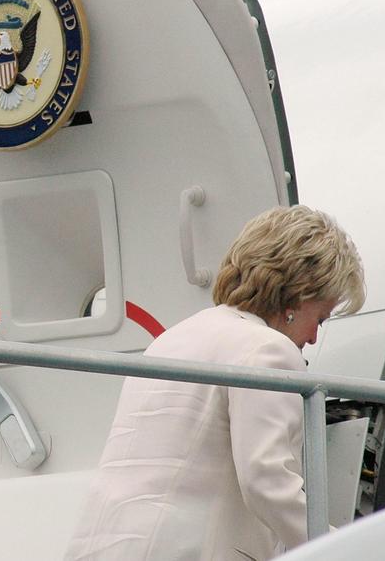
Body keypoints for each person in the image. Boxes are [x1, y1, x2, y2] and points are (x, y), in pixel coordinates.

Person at [65, 205, 366, 561]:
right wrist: (341, 548)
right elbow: (266, 481)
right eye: (320, 317)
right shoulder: (268, 349)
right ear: (296, 297)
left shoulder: (172, 338)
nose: (314, 337)